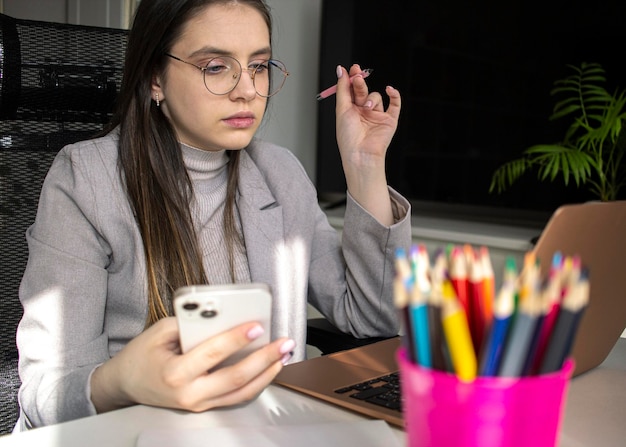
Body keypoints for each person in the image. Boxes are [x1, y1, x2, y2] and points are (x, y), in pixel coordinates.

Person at [15, 0, 411, 430]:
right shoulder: (86, 179)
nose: (247, 90)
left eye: (258, 66)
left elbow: (375, 315)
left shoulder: (279, 172)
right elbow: (44, 394)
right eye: (216, 66)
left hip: (266, 431)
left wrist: (364, 164)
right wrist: (119, 381)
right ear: (154, 79)